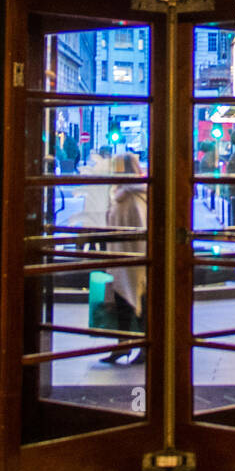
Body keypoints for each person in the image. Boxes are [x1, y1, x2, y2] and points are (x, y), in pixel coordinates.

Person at [103, 151, 147, 365]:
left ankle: (136, 344)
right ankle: (124, 344)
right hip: (123, 256)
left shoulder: (133, 196)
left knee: (135, 300)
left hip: (134, 257)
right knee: (125, 301)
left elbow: (140, 226)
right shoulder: (121, 193)